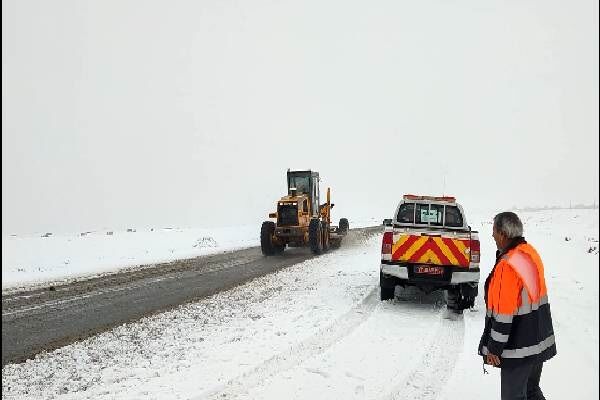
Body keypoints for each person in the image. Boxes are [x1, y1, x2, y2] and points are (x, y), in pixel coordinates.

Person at [478, 212, 556, 400]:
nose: (492, 235)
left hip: (518, 347)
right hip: (537, 340)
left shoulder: (508, 265)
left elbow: (504, 313)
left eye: (494, 231)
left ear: (503, 234)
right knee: (531, 391)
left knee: (514, 396)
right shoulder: (530, 253)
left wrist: (494, 348)